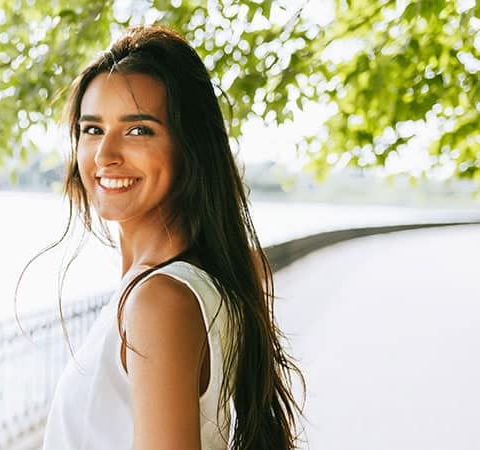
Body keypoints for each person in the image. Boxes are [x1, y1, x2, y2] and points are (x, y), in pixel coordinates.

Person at [28, 25, 305, 449]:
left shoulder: (160, 300)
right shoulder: (178, 284)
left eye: (138, 130)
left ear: (188, 146)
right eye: (92, 129)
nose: (105, 155)